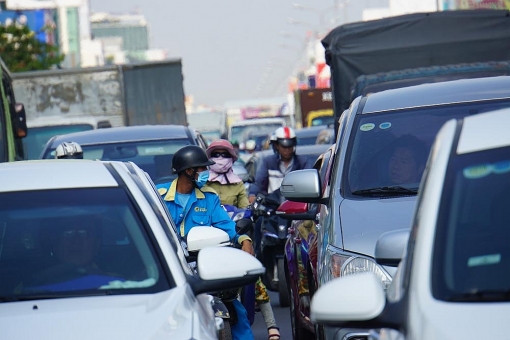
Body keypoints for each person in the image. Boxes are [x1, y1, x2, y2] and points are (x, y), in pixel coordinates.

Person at [156, 145, 254, 340]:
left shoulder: (209, 198)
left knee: (235, 310)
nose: (206, 173)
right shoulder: (158, 196)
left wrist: (244, 239)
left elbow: (227, 226)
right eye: (202, 169)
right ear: (189, 171)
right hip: (168, 269)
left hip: (202, 267)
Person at [205, 139, 280, 340]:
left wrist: (248, 216)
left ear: (232, 158)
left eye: (224, 154)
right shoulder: (202, 185)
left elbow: (246, 208)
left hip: (236, 236)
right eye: (216, 155)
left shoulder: (237, 184)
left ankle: (272, 327)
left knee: (253, 277)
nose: (220, 159)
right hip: (206, 244)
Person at [248, 127, 313, 203]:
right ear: (276, 145)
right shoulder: (268, 162)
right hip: (272, 207)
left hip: (297, 207)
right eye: (284, 147)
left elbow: (310, 185)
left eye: (290, 146)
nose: (287, 150)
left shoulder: (303, 163)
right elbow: (259, 183)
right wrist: (252, 194)